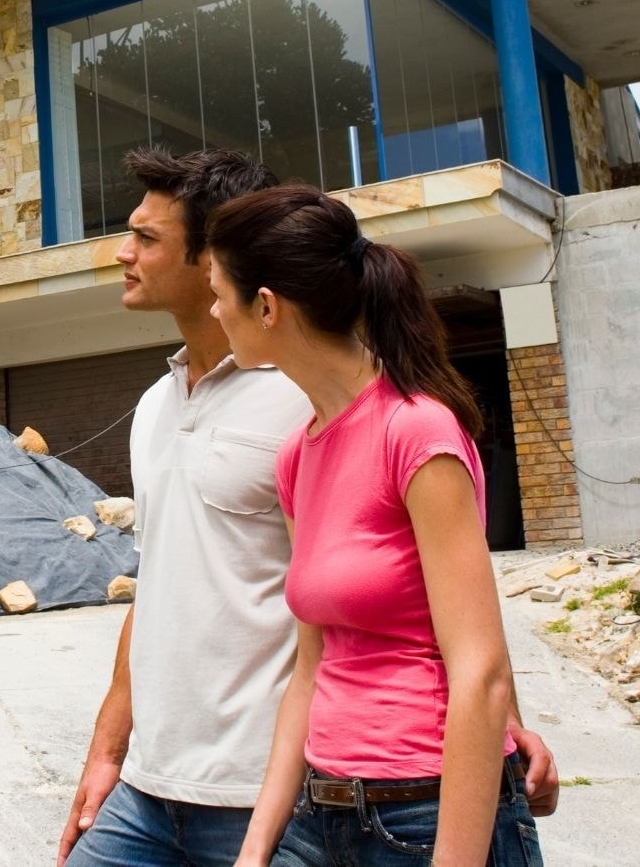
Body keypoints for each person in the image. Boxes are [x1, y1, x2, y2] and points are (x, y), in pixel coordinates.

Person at [59, 151, 554, 867]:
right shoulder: (253, 433)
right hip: (254, 795)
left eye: (147, 236)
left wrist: (501, 728)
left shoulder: (376, 419)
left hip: (368, 796)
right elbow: (290, 644)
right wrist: (113, 750)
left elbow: (464, 642)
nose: (121, 252)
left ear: (241, 289)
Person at [202, 186, 542, 867]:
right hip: (323, 815)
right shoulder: (298, 454)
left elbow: (480, 671)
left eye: (218, 293)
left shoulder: (416, 431)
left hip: (422, 817)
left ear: (266, 306)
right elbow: (310, 667)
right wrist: (255, 849)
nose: (212, 310)